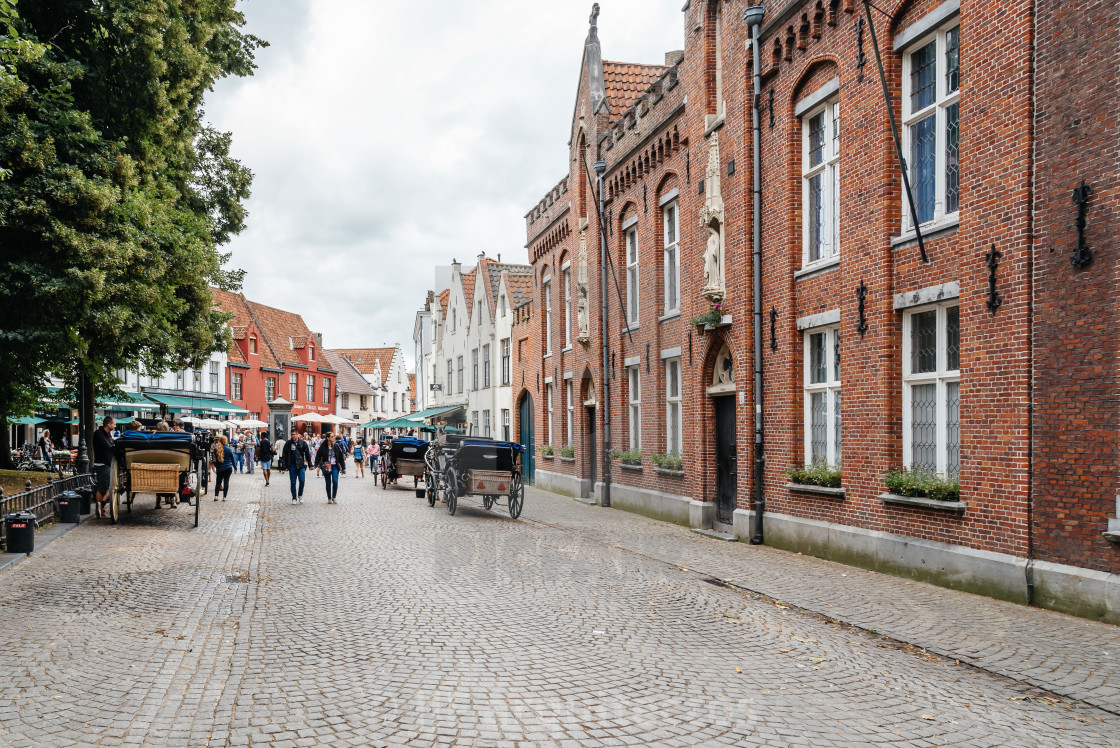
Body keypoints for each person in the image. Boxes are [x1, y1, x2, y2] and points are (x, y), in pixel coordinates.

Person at [93, 416, 116, 518]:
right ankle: (100, 507)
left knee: (103, 487)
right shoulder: (99, 434)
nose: (115, 425)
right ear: (108, 424)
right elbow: (108, 446)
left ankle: (100, 509)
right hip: (102, 464)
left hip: (107, 464)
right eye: (114, 424)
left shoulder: (108, 434)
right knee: (106, 487)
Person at [315, 432, 347, 503]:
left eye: (333, 436)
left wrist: (343, 467)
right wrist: (315, 465)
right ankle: (329, 498)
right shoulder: (323, 447)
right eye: (332, 436)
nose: (333, 438)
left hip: (335, 465)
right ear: (328, 438)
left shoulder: (336, 446)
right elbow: (318, 456)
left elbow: (341, 457)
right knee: (328, 482)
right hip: (326, 465)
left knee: (335, 481)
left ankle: (334, 497)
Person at [282, 432, 313, 504]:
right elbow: (284, 454)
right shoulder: (288, 443)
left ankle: (300, 494)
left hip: (301, 465)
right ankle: (294, 497)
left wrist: (310, 464)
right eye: (292, 435)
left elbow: (307, 454)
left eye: (294, 434)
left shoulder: (303, 442)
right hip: (292, 465)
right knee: (293, 482)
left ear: (297, 435)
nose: (293, 436)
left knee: (302, 480)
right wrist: (284, 466)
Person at [211, 434, 234, 500]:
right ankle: (224, 497)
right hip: (228, 468)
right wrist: (235, 467)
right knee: (226, 482)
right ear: (225, 441)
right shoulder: (229, 450)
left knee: (218, 482)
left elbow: (215, 459)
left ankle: (216, 496)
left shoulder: (216, 449)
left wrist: (216, 466)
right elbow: (232, 460)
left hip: (219, 468)